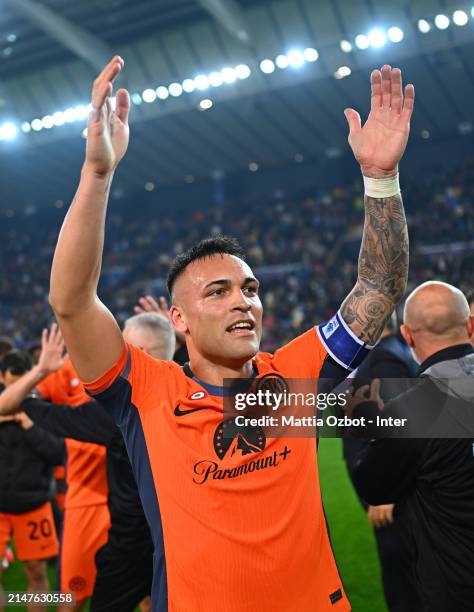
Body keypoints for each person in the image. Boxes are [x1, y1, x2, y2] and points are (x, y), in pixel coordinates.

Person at [48, 57, 413, 611]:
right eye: (217, 291)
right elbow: (72, 302)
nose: (243, 301)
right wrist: (97, 174)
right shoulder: (147, 393)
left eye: (249, 288)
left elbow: (379, 289)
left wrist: (381, 180)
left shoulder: (293, 376)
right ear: (179, 319)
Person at [0, 313, 175, 612]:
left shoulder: (120, 402)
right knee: (71, 595)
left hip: (109, 516)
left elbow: (28, 416)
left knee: (52, 582)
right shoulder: (68, 370)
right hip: (92, 504)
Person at [350, 281, 474, 611]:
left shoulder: (414, 408)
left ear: (407, 335)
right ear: (470, 325)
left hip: (457, 587)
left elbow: (372, 483)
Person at [343, 314, 420, 612]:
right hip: (386, 490)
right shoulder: (384, 356)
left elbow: (401, 426)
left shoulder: (384, 361)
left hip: (391, 500)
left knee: (403, 581)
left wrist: (386, 490)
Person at [32, 328, 110, 612]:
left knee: (149, 596)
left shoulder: (126, 364)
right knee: (72, 598)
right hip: (85, 502)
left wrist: (172, 345)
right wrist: (40, 370)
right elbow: (15, 402)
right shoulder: (64, 370)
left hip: (134, 502)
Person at [0, 350, 64, 612]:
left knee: (36, 573)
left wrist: (28, 424)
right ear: (2, 377)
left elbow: (59, 453)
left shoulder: (44, 408)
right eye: (10, 385)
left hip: (34, 504)